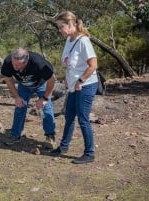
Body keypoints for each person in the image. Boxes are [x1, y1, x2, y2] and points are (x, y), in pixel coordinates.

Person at [50, 11, 98, 164]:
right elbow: (71, 64)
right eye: (58, 27)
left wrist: (80, 81)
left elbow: (93, 66)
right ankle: (63, 147)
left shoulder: (83, 41)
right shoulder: (69, 40)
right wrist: (67, 78)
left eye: (61, 26)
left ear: (71, 24)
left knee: (83, 119)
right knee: (69, 116)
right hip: (73, 86)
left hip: (86, 85)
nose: (59, 30)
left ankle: (89, 153)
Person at [1, 47, 57, 148]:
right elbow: (8, 80)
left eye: (18, 65)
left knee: (46, 108)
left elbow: (52, 80)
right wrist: (17, 97)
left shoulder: (38, 62)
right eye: (14, 63)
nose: (14, 66)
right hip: (23, 86)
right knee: (19, 107)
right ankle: (15, 135)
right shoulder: (8, 62)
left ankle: (50, 136)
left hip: (41, 85)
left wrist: (44, 98)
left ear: (26, 61)